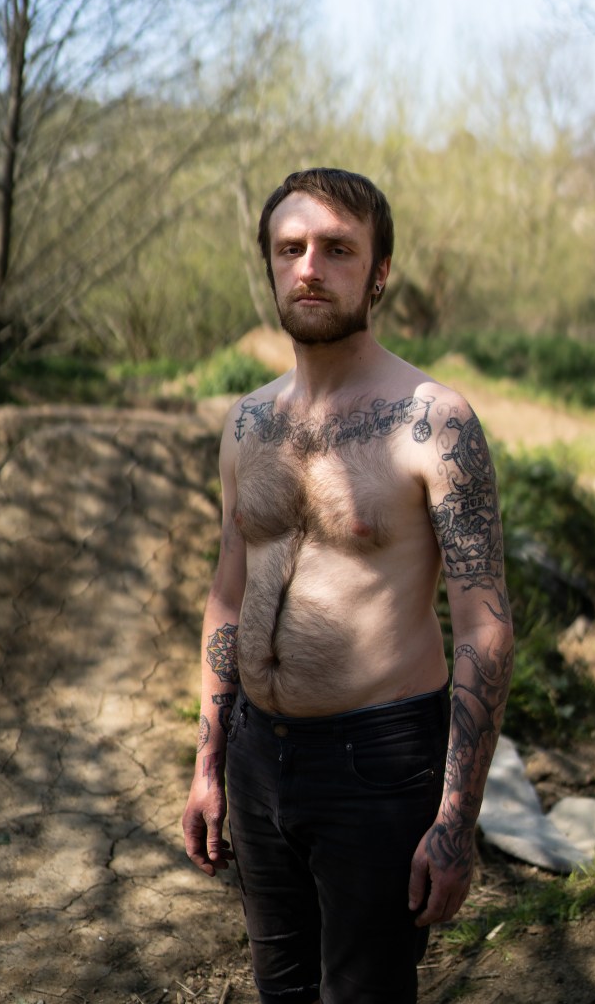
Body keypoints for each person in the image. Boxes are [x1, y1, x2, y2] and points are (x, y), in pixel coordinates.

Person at [182, 167, 514, 1004]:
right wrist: (210, 762)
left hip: (379, 759)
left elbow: (485, 624)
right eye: (290, 249)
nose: (308, 267)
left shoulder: (433, 421)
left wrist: (456, 819)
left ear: (379, 271)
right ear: (268, 266)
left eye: (336, 249)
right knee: (281, 989)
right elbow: (228, 594)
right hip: (259, 757)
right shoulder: (248, 422)